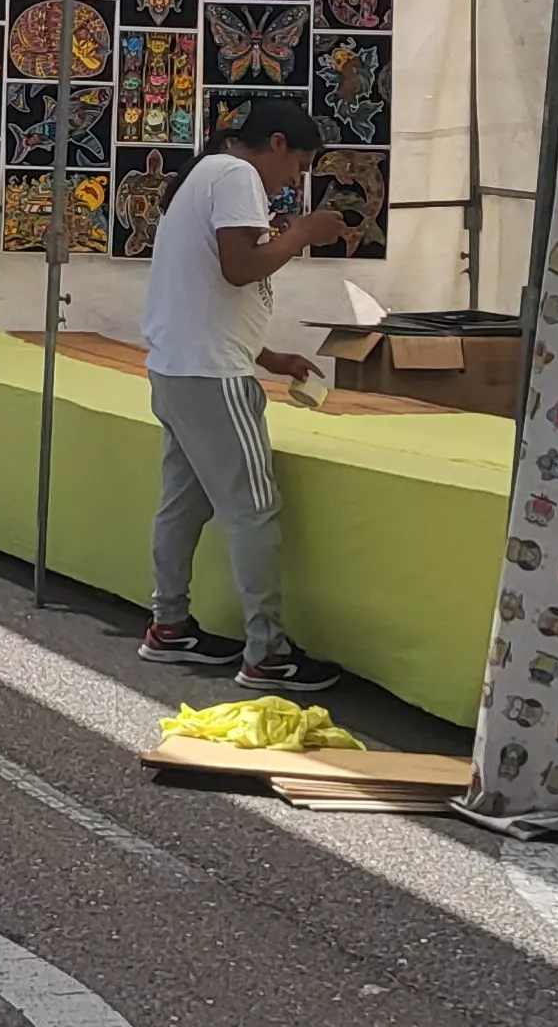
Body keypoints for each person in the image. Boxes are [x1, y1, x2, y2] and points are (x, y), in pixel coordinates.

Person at [135, 98, 348, 694]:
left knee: (183, 504)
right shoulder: (236, 175)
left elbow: (206, 295)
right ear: (276, 144)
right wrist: (301, 233)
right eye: (298, 166)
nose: (292, 182)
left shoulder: (205, 173)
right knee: (254, 511)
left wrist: (270, 357)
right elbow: (238, 268)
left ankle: (169, 623)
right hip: (214, 378)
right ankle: (267, 651)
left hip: (178, 369)